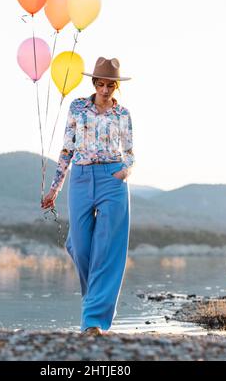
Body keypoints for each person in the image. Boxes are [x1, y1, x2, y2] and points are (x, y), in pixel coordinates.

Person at [41, 56, 135, 336]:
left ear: (116, 87)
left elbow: (130, 152)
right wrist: (56, 187)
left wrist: (126, 171)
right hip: (81, 178)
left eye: (111, 86)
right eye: (101, 84)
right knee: (82, 249)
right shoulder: (78, 107)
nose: (105, 90)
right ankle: (94, 302)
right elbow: (67, 149)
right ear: (94, 83)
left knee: (108, 251)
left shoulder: (123, 115)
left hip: (112, 179)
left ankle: (92, 321)